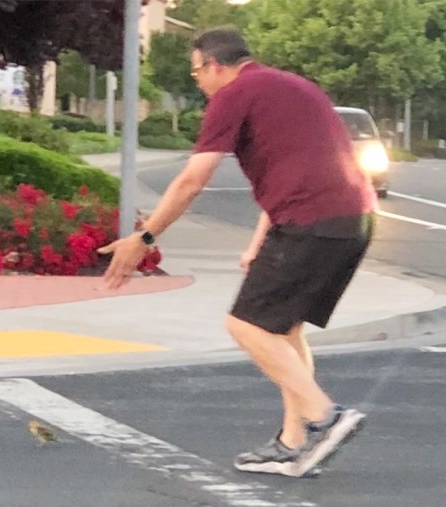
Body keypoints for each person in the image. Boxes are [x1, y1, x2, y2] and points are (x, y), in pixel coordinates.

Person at [97, 27, 376, 478]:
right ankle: (293, 444)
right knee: (282, 330)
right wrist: (259, 242)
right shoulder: (297, 87)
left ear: (214, 65)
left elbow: (193, 179)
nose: (198, 83)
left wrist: (144, 238)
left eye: (195, 72)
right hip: (352, 220)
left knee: (245, 324)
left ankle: (327, 418)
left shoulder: (234, 92)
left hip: (312, 222)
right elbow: (302, 166)